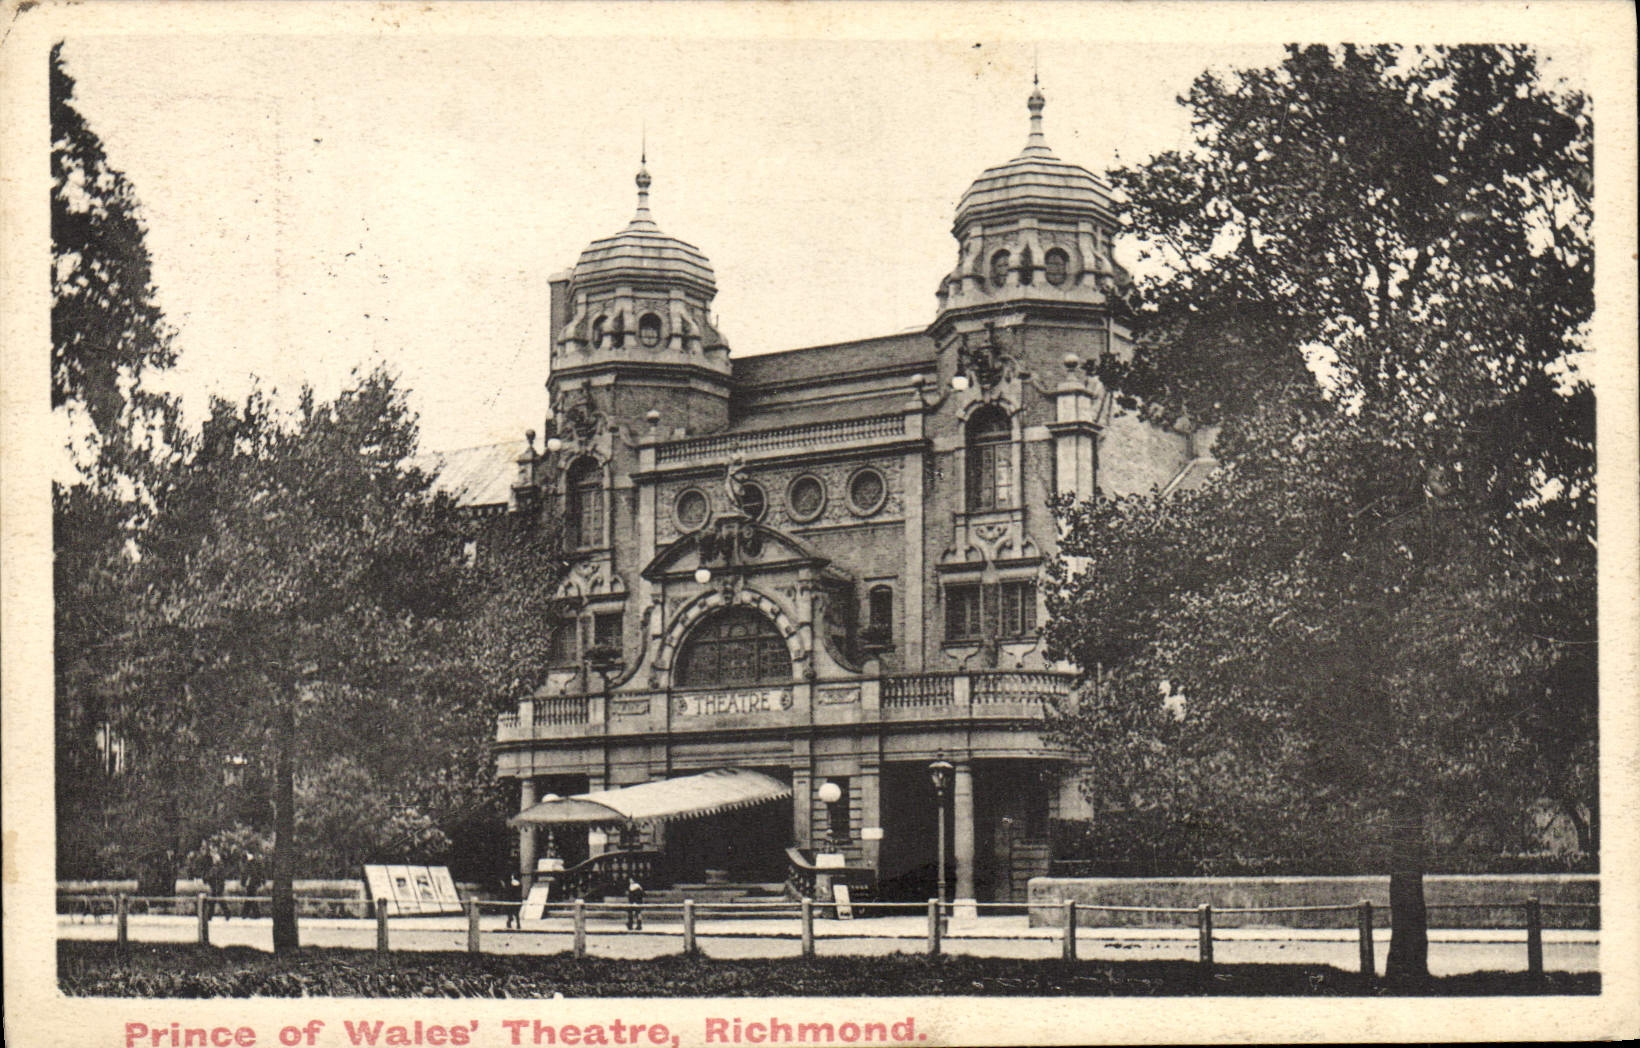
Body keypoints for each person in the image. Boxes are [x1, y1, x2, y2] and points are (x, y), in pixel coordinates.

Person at [203, 850, 229, 922]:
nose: (213, 860)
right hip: (218, 886)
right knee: (217, 901)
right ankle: (226, 914)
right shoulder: (220, 866)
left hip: (216, 886)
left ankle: (210, 916)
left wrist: (205, 878)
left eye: (213, 859)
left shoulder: (216, 867)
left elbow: (210, 875)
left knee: (215, 901)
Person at [240, 852, 263, 919]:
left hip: (251, 883)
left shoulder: (249, 864)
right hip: (252, 883)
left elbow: (246, 874)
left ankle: (248, 914)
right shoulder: (255, 864)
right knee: (250, 898)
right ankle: (248, 914)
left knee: (250, 898)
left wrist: (243, 883)